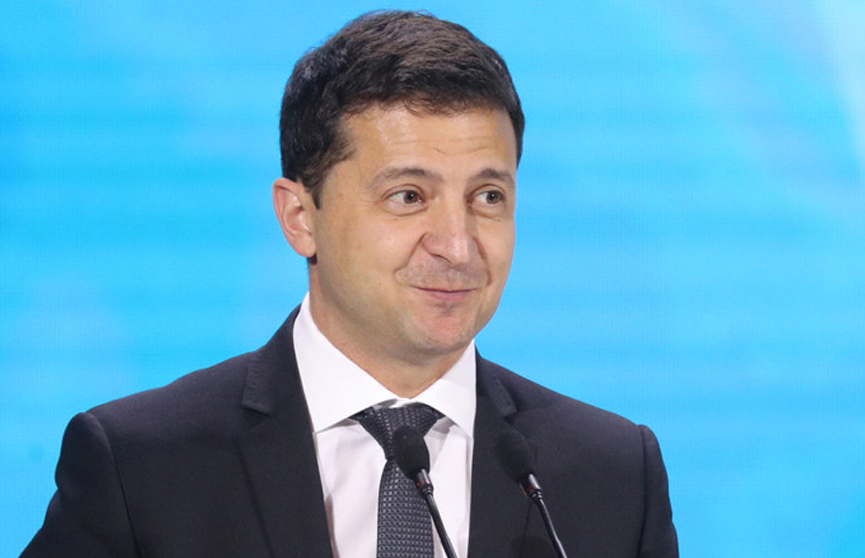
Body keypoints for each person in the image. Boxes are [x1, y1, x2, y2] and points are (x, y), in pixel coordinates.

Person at [22, 10, 677, 558]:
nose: (457, 247)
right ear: (300, 218)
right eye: (408, 196)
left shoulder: (614, 474)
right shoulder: (140, 465)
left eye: (487, 197)